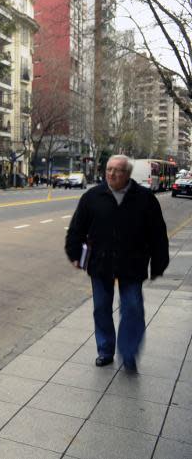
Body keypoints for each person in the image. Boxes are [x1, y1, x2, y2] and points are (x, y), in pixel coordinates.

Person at [65, 154, 169, 372]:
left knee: (132, 308)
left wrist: (159, 262)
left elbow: (158, 234)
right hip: (101, 263)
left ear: (128, 174)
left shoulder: (145, 198)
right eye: (109, 170)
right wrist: (75, 253)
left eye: (117, 170)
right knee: (101, 309)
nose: (111, 174)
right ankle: (105, 350)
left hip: (133, 263)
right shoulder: (92, 197)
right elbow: (77, 229)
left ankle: (129, 353)